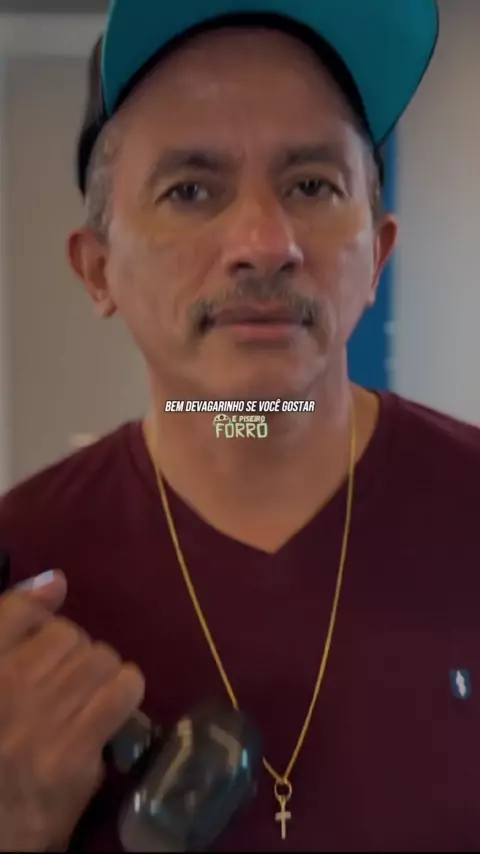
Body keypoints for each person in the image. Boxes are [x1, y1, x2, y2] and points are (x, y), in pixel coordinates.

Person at [3, 0, 480, 851]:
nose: (265, 242)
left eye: (311, 185)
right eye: (191, 190)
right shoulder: (23, 574)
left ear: (378, 254)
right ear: (98, 269)